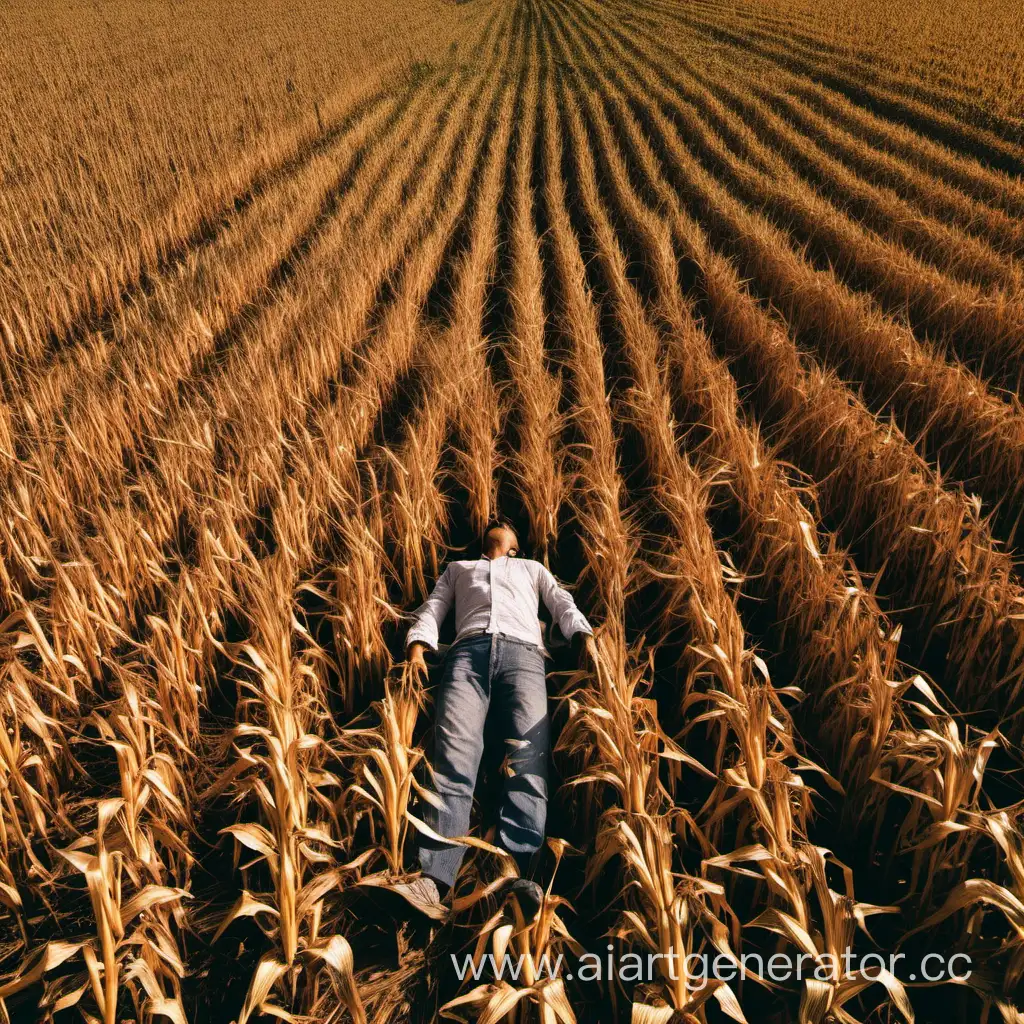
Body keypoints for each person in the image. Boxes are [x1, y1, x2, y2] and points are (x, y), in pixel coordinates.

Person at [389, 520, 594, 920]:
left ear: (517, 545)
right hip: (466, 654)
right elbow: (435, 606)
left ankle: (520, 873)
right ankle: (434, 879)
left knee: (529, 759)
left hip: (524, 657)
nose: (499, 525)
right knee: (453, 756)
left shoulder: (532, 569)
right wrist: (417, 646)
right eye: (493, 526)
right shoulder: (459, 569)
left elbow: (560, 602)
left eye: (507, 527)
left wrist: (583, 636)